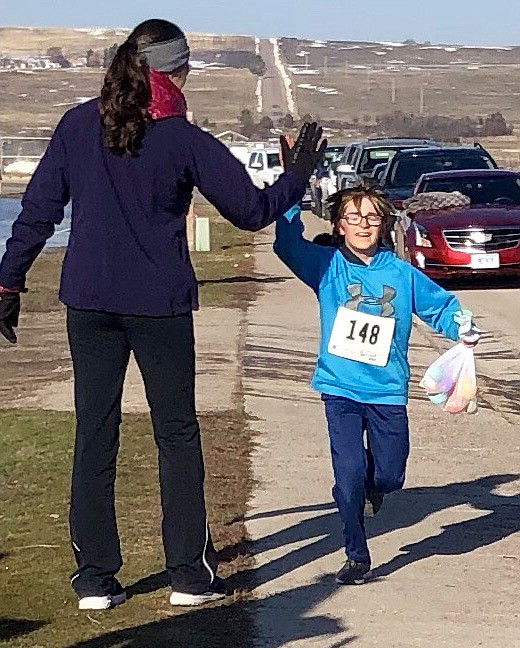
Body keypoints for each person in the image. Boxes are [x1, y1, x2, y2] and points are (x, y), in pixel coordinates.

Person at [0, 19, 325, 610]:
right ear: (179, 71)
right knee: (176, 435)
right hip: (160, 306)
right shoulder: (183, 138)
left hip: (90, 302)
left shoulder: (77, 124)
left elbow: (38, 210)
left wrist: (8, 280)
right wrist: (298, 176)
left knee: (94, 434)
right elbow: (252, 211)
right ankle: (189, 577)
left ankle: (96, 581)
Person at [273, 176, 480, 585]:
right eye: (354, 217)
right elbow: (286, 245)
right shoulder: (325, 265)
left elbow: (440, 306)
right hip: (340, 389)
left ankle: (375, 487)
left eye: (371, 217)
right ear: (339, 225)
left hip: (387, 390)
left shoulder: (401, 274)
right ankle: (356, 552)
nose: (363, 225)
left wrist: (462, 326)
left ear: (383, 224)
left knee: (389, 475)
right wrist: (291, 191)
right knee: (348, 474)